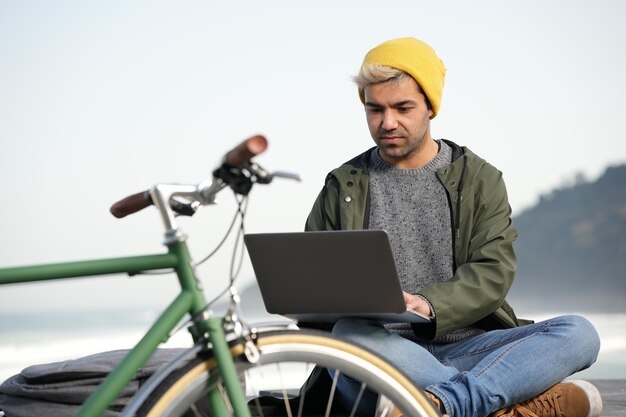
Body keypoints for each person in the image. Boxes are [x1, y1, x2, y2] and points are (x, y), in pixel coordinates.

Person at [304, 37, 602, 417]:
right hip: (384, 349)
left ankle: (440, 404)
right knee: (345, 336)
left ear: (431, 107)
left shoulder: (480, 179)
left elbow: (493, 273)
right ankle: (501, 406)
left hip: (472, 347)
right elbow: (314, 290)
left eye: (403, 108)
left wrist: (428, 305)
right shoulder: (342, 185)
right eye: (375, 109)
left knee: (579, 333)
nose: (387, 122)